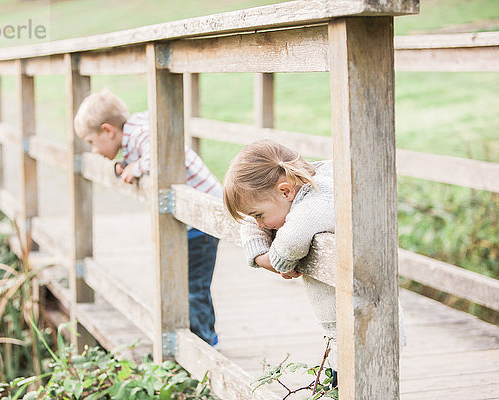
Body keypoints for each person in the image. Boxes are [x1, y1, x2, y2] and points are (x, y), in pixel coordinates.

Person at [223, 139, 405, 380]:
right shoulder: (302, 186)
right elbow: (250, 221)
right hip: (344, 328)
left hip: (366, 326)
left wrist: (274, 261)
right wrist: (259, 255)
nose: (259, 224)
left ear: (285, 191)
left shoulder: (318, 201)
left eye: (260, 216)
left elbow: (290, 245)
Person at [74, 88, 221, 347]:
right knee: (181, 282)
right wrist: (125, 166)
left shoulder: (143, 132)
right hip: (189, 223)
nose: (93, 150)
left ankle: (206, 344)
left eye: (90, 141)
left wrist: (136, 167)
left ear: (108, 131)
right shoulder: (133, 133)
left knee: (193, 285)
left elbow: (159, 155)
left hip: (203, 220)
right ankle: (196, 339)